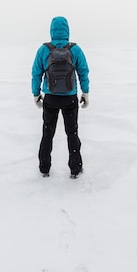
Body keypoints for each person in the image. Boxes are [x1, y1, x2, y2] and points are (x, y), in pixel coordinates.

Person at [32, 16, 90, 178]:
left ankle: (44, 168)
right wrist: (85, 92)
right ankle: (75, 169)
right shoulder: (75, 50)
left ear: (51, 30)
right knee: (72, 133)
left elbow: (36, 74)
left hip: (50, 98)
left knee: (47, 133)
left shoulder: (44, 50)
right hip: (70, 99)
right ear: (67, 30)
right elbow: (83, 72)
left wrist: (36, 94)